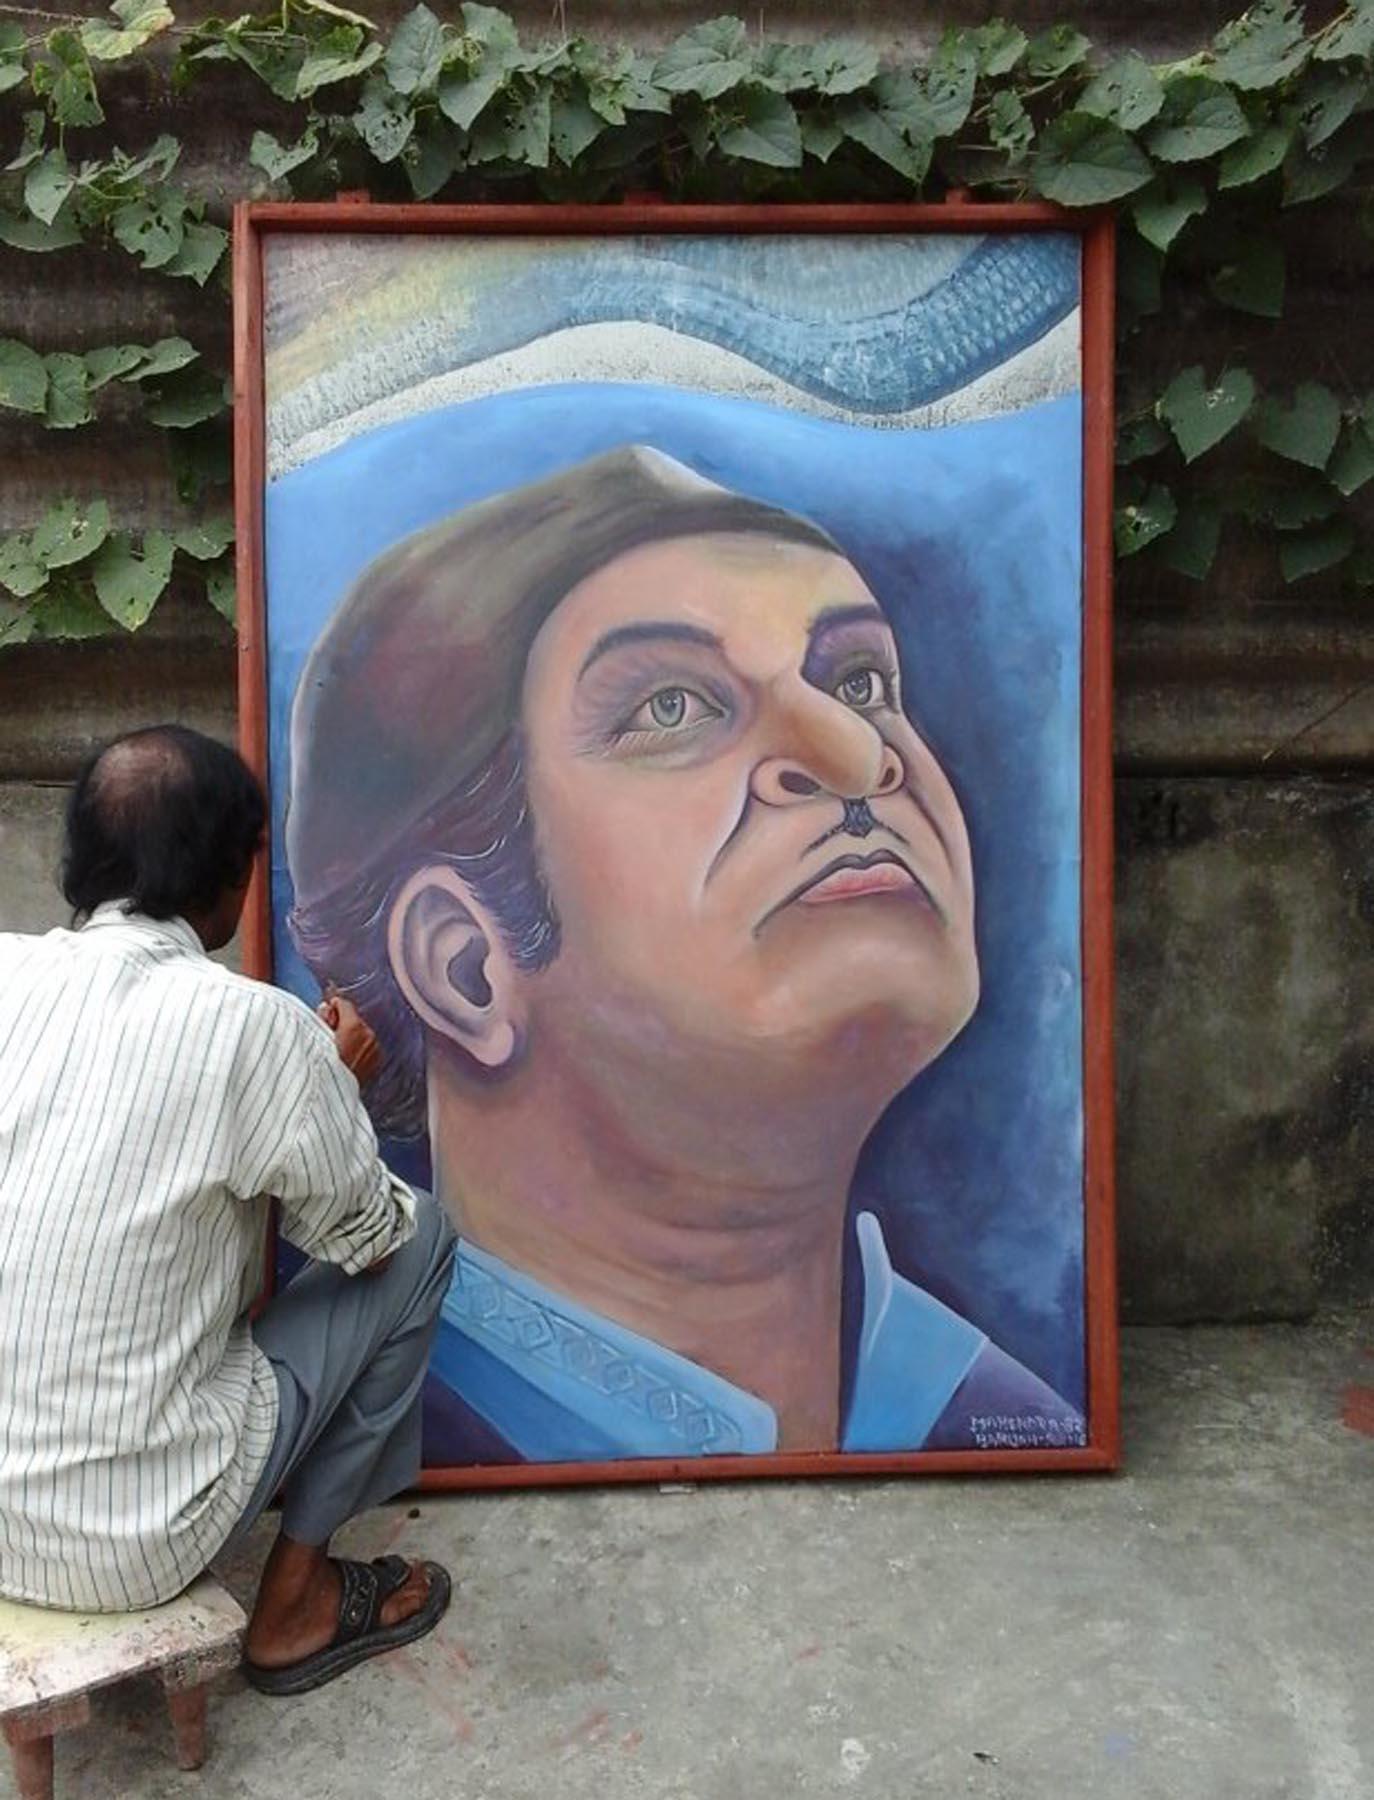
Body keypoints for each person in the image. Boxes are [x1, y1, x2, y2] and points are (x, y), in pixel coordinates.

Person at [287, 446, 1084, 1462]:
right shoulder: (370, 1426)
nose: (857, 755)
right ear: (464, 966)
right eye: (672, 706)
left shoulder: (1001, 1418)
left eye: (860, 680)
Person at [0, 724, 455, 1696]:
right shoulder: (257, 1029)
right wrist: (328, 1090)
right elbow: (369, 1241)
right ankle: (295, 1603)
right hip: (135, 1542)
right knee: (424, 1235)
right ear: (228, 878)